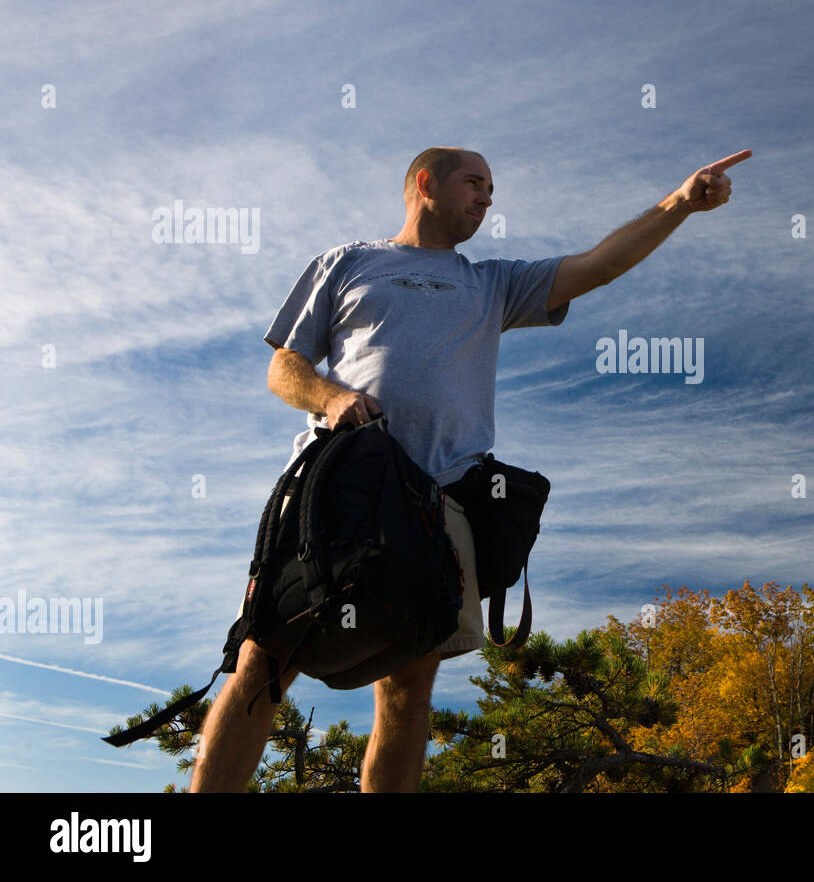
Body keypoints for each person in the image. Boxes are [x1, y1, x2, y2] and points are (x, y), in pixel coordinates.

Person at [189, 144, 751, 792]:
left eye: (492, 187)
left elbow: (601, 264)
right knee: (264, 656)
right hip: (337, 485)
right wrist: (333, 397)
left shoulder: (492, 284)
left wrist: (680, 202)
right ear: (425, 183)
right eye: (475, 182)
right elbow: (284, 369)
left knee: (408, 685)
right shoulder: (347, 263)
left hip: (439, 501)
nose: (488, 197)